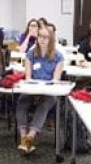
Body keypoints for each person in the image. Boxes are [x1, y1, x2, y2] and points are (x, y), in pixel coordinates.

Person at [16, 26, 65, 154]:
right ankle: (23, 136)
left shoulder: (58, 57)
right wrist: (34, 89)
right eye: (40, 36)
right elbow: (28, 76)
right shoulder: (30, 54)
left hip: (48, 91)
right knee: (22, 101)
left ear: (51, 39)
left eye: (46, 37)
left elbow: (56, 80)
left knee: (44, 104)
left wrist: (43, 88)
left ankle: (30, 137)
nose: (42, 40)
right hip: (32, 88)